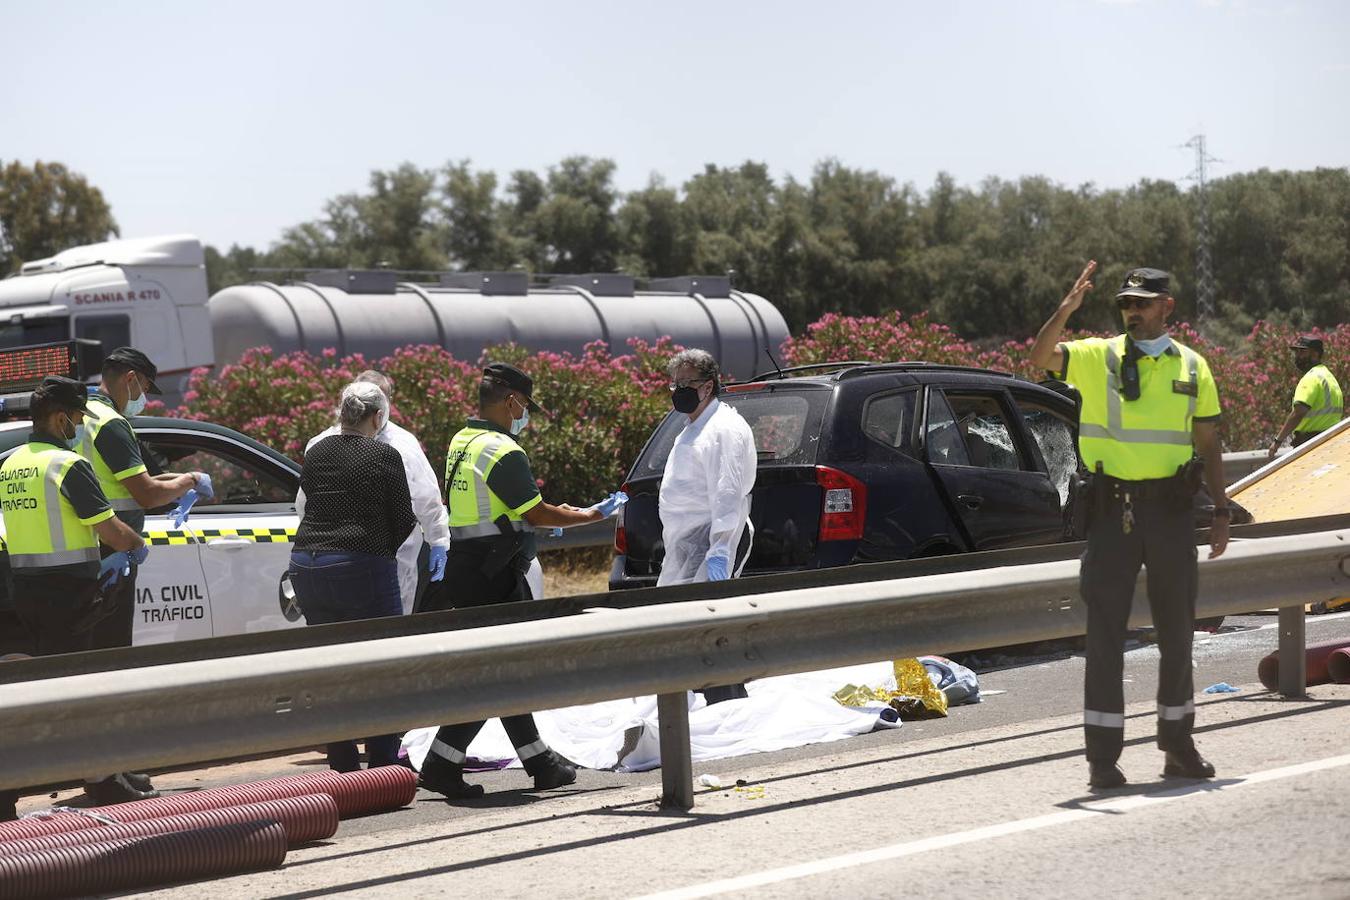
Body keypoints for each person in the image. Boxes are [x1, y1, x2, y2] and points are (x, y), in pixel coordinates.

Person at [1029, 262, 1229, 789]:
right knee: (1105, 640)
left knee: (1179, 636)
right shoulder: (1097, 356)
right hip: (1112, 511)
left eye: (1142, 302)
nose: (1132, 311)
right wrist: (1065, 310)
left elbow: (1208, 443)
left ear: (1167, 307)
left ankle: (1178, 746)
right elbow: (1037, 361)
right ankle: (1102, 759)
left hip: (1172, 513)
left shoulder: (1192, 366)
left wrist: (1222, 510)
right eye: (1125, 303)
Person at [418, 363, 619, 800]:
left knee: (499, 669)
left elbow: (497, 505)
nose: (524, 414)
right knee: (504, 671)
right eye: (524, 405)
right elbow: (536, 513)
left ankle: (533, 762)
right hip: (494, 572)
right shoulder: (501, 449)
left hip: (468, 566)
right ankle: (447, 760)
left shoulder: (463, 439)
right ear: (511, 401)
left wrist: (535, 516)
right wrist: (590, 515)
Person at [1, 376, 150, 819]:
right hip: (71, 594)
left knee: (33, 694)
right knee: (80, 692)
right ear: (60, 417)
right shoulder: (66, 465)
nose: (81, 425)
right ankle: (101, 780)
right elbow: (108, 528)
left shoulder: (11, 464)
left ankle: (8, 790)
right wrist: (137, 544)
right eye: (79, 417)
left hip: (25, 593)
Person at [290, 381, 417, 772]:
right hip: (360, 563)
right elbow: (403, 518)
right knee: (382, 666)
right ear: (377, 417)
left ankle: (343, 763)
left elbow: (308, 503)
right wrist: (378, 550)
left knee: (331, 667)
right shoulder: (384, 453)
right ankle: (382, 767)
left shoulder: (316, 450)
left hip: (307, 564)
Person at [78, 348, 203, 654]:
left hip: (82, 547)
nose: (144, 398)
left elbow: (121, 480)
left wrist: (173, 481)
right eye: (145, 388)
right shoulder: (111, 423)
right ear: (130, 379)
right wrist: (191, 481)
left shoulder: (80, 416)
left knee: (87, 649)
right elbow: (145, 494)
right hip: (115, 549)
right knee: (113, 648)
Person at [298, 370, 451, 613]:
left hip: (319, 560)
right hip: (378, 561)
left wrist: (439, 540)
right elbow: (409, 512)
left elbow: (304, 507)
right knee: (385, 638)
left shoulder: (319, 445)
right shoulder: (392, 452)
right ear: (381, 411)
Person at [657, 349, 757, 704]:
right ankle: (703, 693)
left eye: (687, 383)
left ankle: (724, 698)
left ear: (708, 386)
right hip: (687, 543)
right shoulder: (692, 426)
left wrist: (719, 549)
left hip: (714, 541)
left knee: (711, 625)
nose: (679, 389)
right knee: (688, 625)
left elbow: (727, 492)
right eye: (675, 383)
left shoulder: (723, 429)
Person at [1268, 335, 1343, 457]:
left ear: (1315, 354)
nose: (1297, 356)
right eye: (1296, 352)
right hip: (1330, 442)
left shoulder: (1311, 378)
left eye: (1302, 352)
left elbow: (1298, 413)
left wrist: (1277, 441)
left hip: (1311, 444)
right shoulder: (1328, 376)